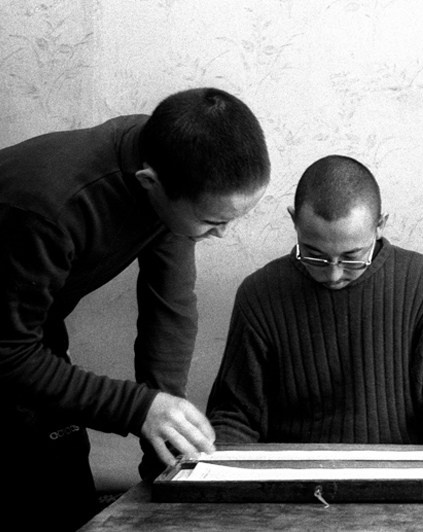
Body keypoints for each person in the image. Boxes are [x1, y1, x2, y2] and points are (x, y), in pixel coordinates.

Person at [0, 87, 270, 531]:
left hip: (28, 331)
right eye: (213, 221)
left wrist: (163, 447)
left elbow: (170, 311)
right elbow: (9, 353)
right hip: (8, 343)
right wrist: (139, 408)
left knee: (67, 491)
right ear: (150, 183)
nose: (222, 234)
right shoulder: (48, 206)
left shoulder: (172, 167)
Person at [206, 154, 423, 476]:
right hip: (290, 484)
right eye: (314, 256)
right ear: (294, 221)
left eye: (352, 257)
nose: (333, 275)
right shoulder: (260, 293)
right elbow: (235, 414)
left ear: (380, 226)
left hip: (398, 480)